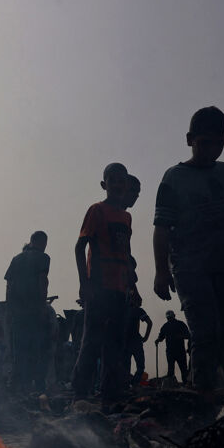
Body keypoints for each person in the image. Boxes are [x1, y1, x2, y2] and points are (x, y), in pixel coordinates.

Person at [152, 107, 224, 389]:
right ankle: (204, 397)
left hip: (222, 264)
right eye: (205, 142)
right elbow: (161, 228)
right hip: (189, 266)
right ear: (190, 140)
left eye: (219, 143)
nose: (212, 149)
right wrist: (161, 271)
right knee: (204, 332)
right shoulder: (173, 178)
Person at [72, 163, 135, 406]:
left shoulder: (127, 217)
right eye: (113, 181)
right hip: (99, 286)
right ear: (104, 185)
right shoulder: (97, 210)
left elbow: (126, 253)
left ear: (126, 185)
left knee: (115, 343)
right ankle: (80, 392)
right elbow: (80, 247)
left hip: (119, 288)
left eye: (122, 181)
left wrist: (131, 285)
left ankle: (110, 393)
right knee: (92, 340)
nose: (118, 185)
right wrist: (84, 283)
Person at [4, 231, 51, 393]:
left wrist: (9, 309)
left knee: (19, 350)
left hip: (17, 311)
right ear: (41, 242)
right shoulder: (43, 258)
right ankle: (36, 386)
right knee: (36, 349)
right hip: (34, 310)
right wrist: (43, 306)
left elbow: (8, 285)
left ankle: (18, 386)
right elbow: (42, 281)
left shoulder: (16, 259)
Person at [155, 310, 190, 382]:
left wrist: (180, 336)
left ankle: (184, 384)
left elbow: (188, 335)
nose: (170, 319)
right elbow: (161, 337)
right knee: (177, 371)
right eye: (169, 318)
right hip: (174, 352)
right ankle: (181, 384)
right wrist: (158, 340)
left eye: (170, 318)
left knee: (181, 370)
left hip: (177, 352)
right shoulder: (168, 326)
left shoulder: (176, 325)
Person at [125, 305, 152, 386]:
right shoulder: (138, 310)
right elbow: (149, 323)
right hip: (136, 341)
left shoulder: (121, 309)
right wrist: (145, 337)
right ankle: (134, 383)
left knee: (125, 366)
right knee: (140, 366)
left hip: (125, 342)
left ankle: (127, 385)